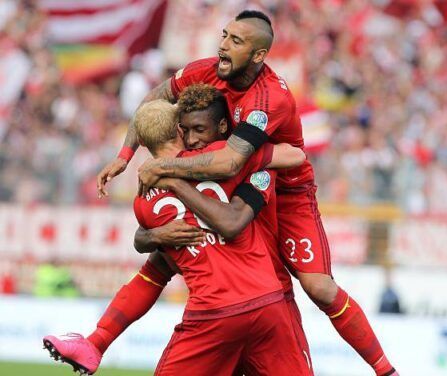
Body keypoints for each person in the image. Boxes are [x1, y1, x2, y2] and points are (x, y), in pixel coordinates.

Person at [97, 10, 397, 376]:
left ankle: (385, 370)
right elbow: (151, 104)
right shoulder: (204, 71)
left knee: (316, 286)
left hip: (282, 189)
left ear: (258, 56)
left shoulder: (268, 99)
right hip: (236, 183)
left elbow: (229, 162)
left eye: (235, 41)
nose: (223, 45)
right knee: (208, 269)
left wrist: (164, 168)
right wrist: (125, 156)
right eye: (225, 35)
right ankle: (96, 342)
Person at [44, 84, 311, 375]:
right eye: (189, 130)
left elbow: (165, 259)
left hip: (214, 314)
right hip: (269, 302)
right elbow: (294, 155)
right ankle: (95, 343)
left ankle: (96, 342)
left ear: (144, 145)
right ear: (179, 131)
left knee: (156, 269)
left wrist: (151, 230)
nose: (195, 139)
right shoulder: (223, 158)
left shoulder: (143, 203)